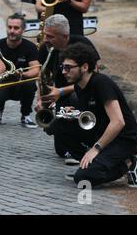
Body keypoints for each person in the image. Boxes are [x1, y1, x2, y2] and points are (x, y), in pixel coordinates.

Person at [59, 42, 137, 188]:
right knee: (59, 124)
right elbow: (92, 114)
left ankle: (128, 164)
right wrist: (72, 113)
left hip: (123, 140)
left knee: (83, 178)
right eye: (63, 67)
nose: (63, 72)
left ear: (84, 67)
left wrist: (95, 149)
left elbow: (118, 122)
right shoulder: (80, 86)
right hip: (102, 134)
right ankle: (89, 164)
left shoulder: (101, 83)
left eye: (68, 68)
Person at [37, 14, 100, 164]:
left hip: (80, 95)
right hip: (60, 96)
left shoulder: (82, 44)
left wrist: (60, 92)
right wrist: (41, 99)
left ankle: (88, 147)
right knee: (61, 150)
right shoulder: (47, 48)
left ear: (64, 36)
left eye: (50, 36)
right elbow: (42, 76)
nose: (46, 39)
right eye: (45, 35)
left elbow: (95, 77)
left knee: (72, 104)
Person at [0, 14, 40, 128]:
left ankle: (25, 115)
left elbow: (36, 70)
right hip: (2, 84)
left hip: (20, 83)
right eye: (9, 27)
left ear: (23, 30)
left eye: (16, 28)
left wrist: (23, 74)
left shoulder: (30, 47)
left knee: (30, 84)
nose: (12, 31)